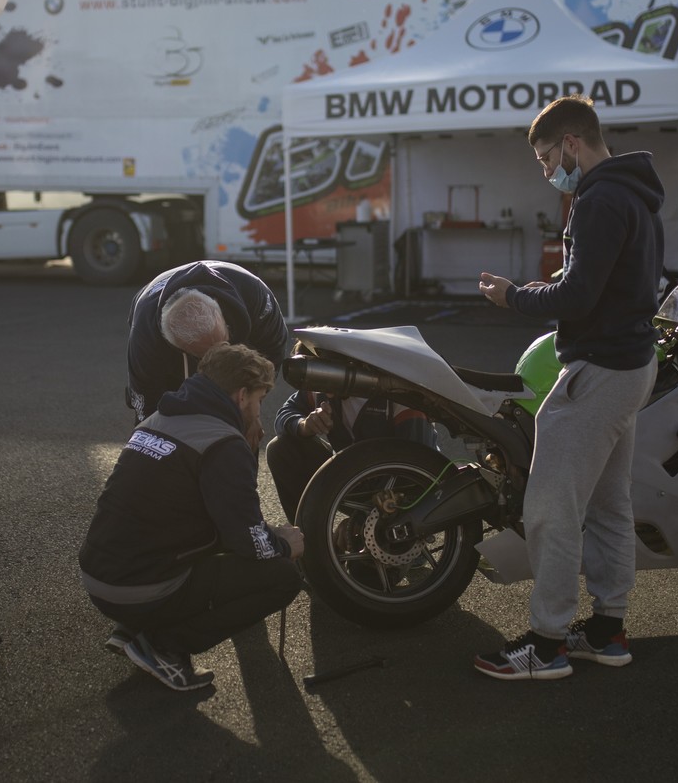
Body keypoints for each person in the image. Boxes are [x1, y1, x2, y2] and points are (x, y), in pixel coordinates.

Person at [473, 94, 664, 681]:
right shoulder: (633, 191)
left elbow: (579, 297)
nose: (545, 169)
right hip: (631, 364)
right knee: (609, 504)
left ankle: (548, 644)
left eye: (545, 156)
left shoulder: (599, 199)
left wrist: (515, 297)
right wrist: (551, 283)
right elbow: (598, 279)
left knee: (551, 506)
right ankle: (608, 631)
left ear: (572, 144)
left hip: (600, 369)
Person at [81, 343, 304, 692]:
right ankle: (163, 644)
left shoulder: (161, 417)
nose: (260, 410)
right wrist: (283, 543)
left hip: (101, 576)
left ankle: (135, 627)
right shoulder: (223, 444)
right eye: (259, 400)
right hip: (139, 588)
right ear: (241, 395)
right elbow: (251, 543)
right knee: (283, 576)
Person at [125, 261, 290, 424]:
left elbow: (273, 351)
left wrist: (251, 410)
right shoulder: (145, 337)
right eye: (206, 354)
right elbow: (147, 409)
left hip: (239, 291)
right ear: (179, 346)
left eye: (223, 343)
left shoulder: (255, 295)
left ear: (221, 314)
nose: (219, 358)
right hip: (151, 310)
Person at [267, 372, 440, 522]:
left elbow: (418, 467)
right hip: (353, 478)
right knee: (280, 449)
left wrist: (363, 520)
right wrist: (304, 425)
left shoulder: (398, 397)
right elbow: (286, 412)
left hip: (402, 488)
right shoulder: (321, 385)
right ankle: (307, 543)